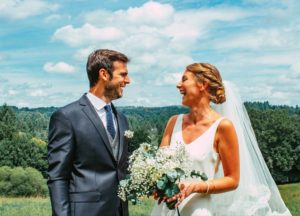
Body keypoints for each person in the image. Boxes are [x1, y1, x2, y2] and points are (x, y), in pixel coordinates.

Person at [151, 63, 291, 216]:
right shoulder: (173, 122)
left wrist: (196, 186)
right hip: (164, 209)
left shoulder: (222, 126)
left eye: (184, 79)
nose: (178, 85)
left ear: (202, 85)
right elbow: (158, 166)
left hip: (197, 210)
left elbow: (233, 179)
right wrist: (154, 183)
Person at [47, 49, 131, 216]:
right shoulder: (67, 117)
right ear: (104, 74)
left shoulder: (122, 119)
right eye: (123, 74)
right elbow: (58, 177)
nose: (128, 80)